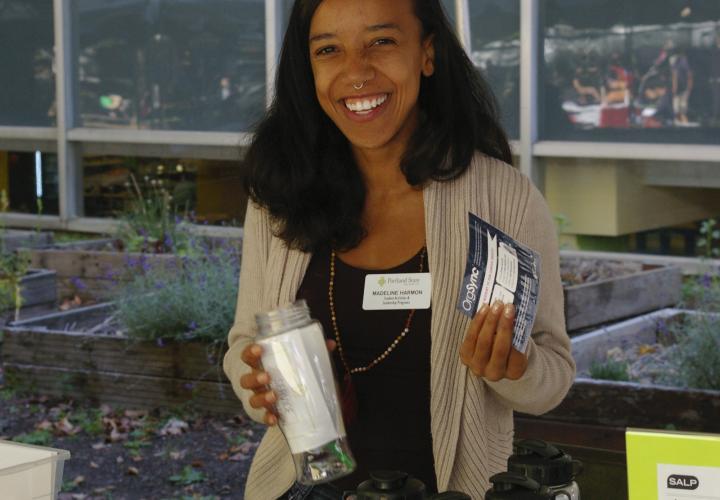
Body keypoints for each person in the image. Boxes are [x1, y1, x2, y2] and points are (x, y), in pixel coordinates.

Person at [222, 1, 575, 499]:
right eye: (328, 50)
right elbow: (243, 344)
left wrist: (514, 367)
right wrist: (259, 384)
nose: (356, 72)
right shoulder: (280, 198)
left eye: (381, 42)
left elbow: (553, 374)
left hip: (458, 488)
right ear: (309, 69)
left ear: (427, 53)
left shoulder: (504, 200)